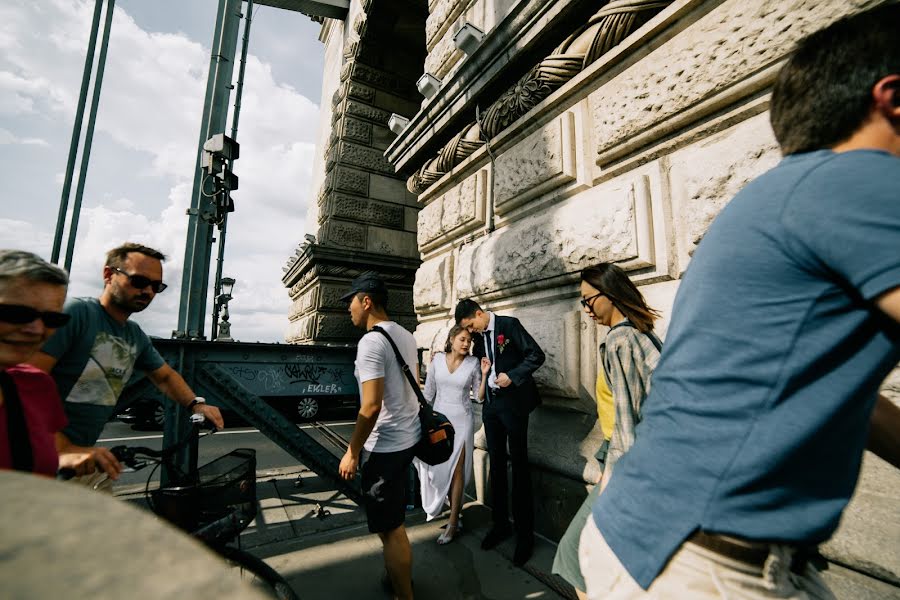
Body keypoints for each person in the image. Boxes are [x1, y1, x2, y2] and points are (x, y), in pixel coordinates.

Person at [579, 6, 900, 598]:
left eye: (589, 298)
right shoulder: (863, 179)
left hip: (658, 540)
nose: (586, 308)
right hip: (700, 561)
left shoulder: (770, 198)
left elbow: (817, 385)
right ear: (892, 98)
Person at [29, 243, 223, 489]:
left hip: (82, 461)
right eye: (139, 281)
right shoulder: (79, 314)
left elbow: (164, 376)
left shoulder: (134, 335)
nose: (148, 291)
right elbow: (23, 382)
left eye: (156, 286)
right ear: (108, 275)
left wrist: (196, 404)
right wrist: (61, 447)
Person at [552, 263, 662, 598]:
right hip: (639, 457)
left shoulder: (620, 340)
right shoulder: (641, 333)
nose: (585, 310)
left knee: (575, 555)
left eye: (588, 300)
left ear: (610, 295)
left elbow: (628, 419)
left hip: (631, 462)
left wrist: (616, 478)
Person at [338, 272, 421, 600]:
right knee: (395, 521)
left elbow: (370, 406)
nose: (349, 310)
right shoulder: (405, 335)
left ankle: (404, 595)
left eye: (352, 302)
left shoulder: (371, 342)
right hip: (406, 439)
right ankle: (396, 578)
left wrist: (352, 451)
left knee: (391, 530)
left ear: (367, 301)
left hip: (384, 447)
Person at [455, 298, 545, 566]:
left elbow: (536, 355)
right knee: (495, 466)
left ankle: (525, 537)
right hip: (491, 408)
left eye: (471, 325)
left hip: (515, 406)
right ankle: (500, 525)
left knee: (518, 468)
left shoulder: (509, 325)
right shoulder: (479, 336)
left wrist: (513, 375)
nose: (471, 332)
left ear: (480, 314)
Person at [0, 250, 91, 477]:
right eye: (17, 313)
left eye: (53, 319)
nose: (37, 330)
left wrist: (64, 454)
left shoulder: (36, 385)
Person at [414, 325, 490, 544]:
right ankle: (453, 512)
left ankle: (454, 522)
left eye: (469, 341)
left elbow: (479, 396)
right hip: (439, 422)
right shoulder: (437, 361)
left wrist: (484, 375)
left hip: (462, 422)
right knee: (439, 470)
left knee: (457, 471)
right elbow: (428, 394)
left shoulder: (474, 363)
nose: (466, 344)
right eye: (462, 340)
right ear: (452, 339)